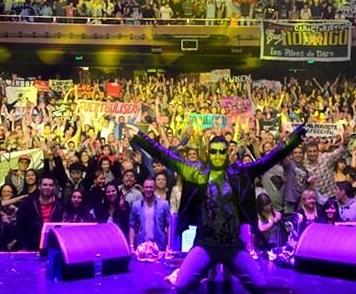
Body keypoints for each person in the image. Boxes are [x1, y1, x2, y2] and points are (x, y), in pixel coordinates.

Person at [128, 123, 306, 293]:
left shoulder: (240, 173)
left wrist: (292, 141)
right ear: (208, 153)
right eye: (214, 152)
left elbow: (268, 159)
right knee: (182, 286)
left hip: (233, 245)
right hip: (205, 244)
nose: (218, 156)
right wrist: (140, 137)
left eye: (222, 152)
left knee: (259, 286)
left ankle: (215, 269)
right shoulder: (196, 173)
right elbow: (166, 156)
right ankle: (200, 269)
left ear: (228, 153)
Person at [17, 176, 64, 251]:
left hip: (52, 245)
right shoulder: (28, 203)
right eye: (45, 185)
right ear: (39, 187)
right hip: (31, 246)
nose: (47, 187)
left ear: (54, 187)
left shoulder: (59, 205)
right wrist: (22, 246)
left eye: (50, 185)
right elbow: (20, 226)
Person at [129, 178, 171, 251]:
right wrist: (131, 246)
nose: (148, 189)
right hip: (141, 246)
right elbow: (131, 226)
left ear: (154, 188)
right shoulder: (136, 205)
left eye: (151, 187)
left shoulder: (164, 204)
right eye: (146, 187)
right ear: (143, 189)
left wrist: (169, 245)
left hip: (159, 246)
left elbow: (169, 225)